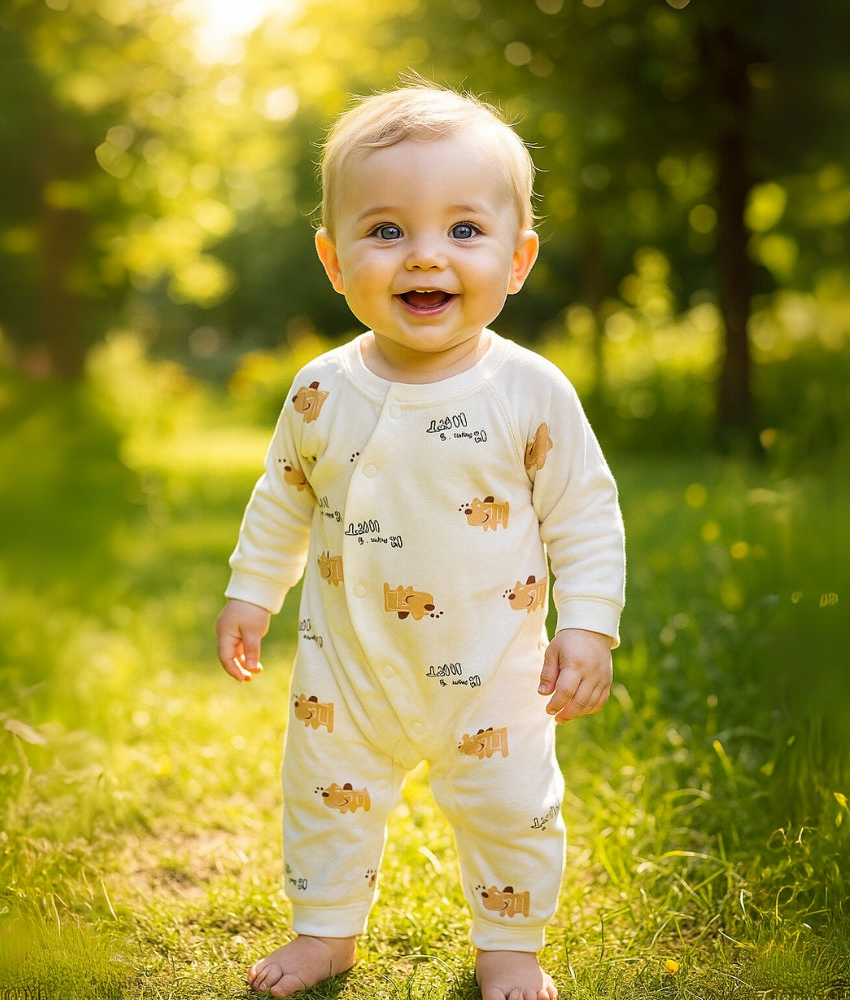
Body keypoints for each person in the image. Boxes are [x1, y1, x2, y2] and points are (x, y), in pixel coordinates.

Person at [216, 80, 626, 1000]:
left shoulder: (530, 392)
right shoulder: (321, 390)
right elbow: (281, 499)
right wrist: (253, 592)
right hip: (346, 666)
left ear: (518, 258)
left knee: (512, 807)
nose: (423, 256)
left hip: (491, 670)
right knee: (325, 793)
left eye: (464, 232)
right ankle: (326, 933)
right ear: (333, 258)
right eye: (387, 230)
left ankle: (510, 948)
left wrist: (590, 624)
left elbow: (584, 513)